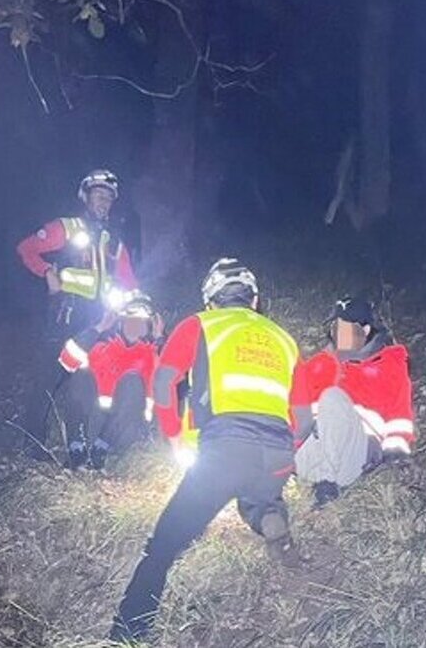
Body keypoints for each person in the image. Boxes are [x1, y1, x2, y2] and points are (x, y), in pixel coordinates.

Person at [110, 258, 307, 644]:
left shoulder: (201, 323)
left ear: (211, 299)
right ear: (254, 300)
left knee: (165, 542)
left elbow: (165, 382)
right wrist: (285, 453)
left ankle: (127, 633)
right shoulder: (284, 338)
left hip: (225, 447)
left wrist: (174, 437)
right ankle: (269, 513)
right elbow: (304, 418)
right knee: (255, 492)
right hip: (278, 452)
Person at [14, 170, 139, 454]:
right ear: (85, 196)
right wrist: (47, 272)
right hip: (66, 314)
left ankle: (81, 442)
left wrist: (141, 310)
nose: (104, 201)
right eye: (98, 194)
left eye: (109, 197)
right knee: (51, 374)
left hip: (100, 319)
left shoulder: (114, 242)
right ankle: (31, 442)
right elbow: (26, 248)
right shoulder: (66, 228)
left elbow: (130, 282)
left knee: (90, 378)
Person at [294, 295, 416, 508]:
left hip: (355, 455)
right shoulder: (321, 363)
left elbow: (400, 416)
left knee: (332, 397)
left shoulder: (389, 365)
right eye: (336, 326)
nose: (338, 333)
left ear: (366, 330)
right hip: (313, 450)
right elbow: (296, 403)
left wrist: (394, 454)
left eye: (345, 327)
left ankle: (326, 484)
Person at [57, 291, 162, 470]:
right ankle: (77, 451)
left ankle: (100, 451)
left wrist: (160, 340)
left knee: (133, 382)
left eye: (141, 321)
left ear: (149, 326)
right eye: (131, 319)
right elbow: (67, 361)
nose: (135, 325)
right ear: (120, 321)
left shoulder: (152, 354)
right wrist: (97, 329)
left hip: (123, 431)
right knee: (82, 373)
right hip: (91, 426)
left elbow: (172, 382)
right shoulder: (100, 346)